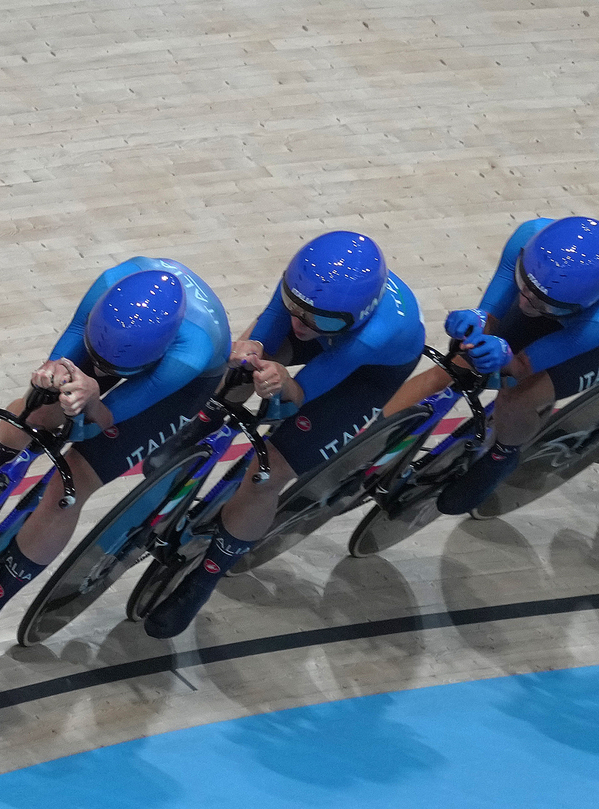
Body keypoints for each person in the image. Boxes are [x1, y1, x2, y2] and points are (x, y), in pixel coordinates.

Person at [0, 258, 231, 669]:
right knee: (37, 411)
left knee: (70, 483)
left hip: (176, 386)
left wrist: (91, 401)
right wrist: (53, 377)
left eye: (115, 369)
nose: (106, 372)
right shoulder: (110, 284)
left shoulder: (189, 356)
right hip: (113, 341)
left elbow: (109, 419)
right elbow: (66, 350)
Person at [143, 231, 425, 638]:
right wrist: (251, 351)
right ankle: (205, 421)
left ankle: (204, 578)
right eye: (295, 306)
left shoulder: (373, 334)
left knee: (266, 473)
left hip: (361, 374)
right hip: (335, 328)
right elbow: (275, 328)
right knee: (241, 363)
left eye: (317, 318)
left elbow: (300, 395)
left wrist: (283, 384)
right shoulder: (307, 287)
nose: (301, 323)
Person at [382, 215, 599, 516]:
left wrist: (505, 357)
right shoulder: (529, 237)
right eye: (524, 286)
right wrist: (478, 321)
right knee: (454, 366)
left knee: (518, 397)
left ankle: (504, 453)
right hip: (562, 296)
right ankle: (368, 443)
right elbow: (490, 315)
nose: (525, 304)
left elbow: (519, 369)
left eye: (541, 301)